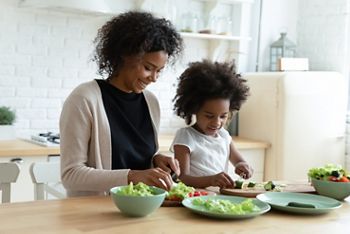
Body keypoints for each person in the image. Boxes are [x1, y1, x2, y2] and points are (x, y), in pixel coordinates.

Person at [59, 11, 183, 197]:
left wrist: (157, 160)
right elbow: (71, 175)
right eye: (148, 68)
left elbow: (142, 158)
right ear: (126, 55)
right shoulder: (84, 98)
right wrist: (132, 176)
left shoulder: (151, 102)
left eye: (159, 71)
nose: (154, 78)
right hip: (95, 214)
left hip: (143, 207)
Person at [171, 60, 253, 189]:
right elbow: (182, 178)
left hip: (219, 199)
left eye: (223, 116)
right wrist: (211, 180)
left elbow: (239, 160)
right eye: (209, 116)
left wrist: (242, 166)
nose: (216, 122)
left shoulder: (224, 136)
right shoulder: (186, 136)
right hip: (195, 198)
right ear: (194, 109)